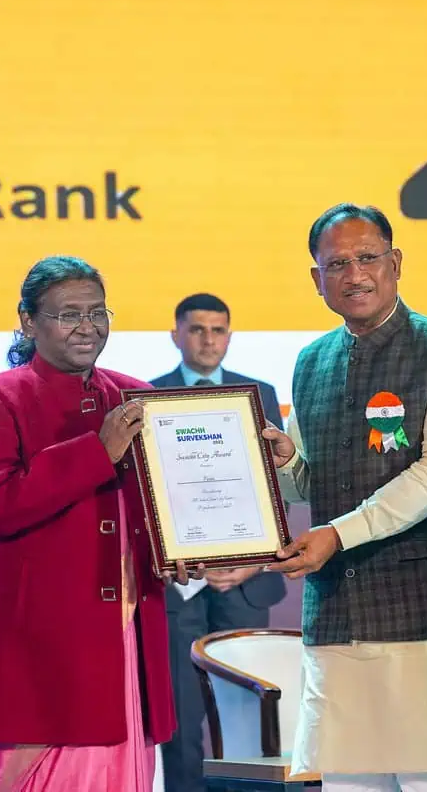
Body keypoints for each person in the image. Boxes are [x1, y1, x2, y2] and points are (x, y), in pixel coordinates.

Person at [262, 203, 427, 792]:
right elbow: (312, 485)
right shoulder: (311, 361)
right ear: (316, 278)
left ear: (395, 263)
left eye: (368, 258)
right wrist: (285, 462)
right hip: (337, 614)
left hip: (424, 610)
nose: (354, 274)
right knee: (347, 784)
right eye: (336, 263)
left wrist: (338, 534)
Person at [0, 255, 199, 791]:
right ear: (28, 321)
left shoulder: (138, 396)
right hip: (41, 644)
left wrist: (186, 545)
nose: (87, 327)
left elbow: (171, 500)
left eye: (98, 312)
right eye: (69, 315)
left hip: (126, 634)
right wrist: (96, 452)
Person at [150, 292, 287, 792]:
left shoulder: (260, 394)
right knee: (182, 718)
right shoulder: (147, 395)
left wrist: (256, 561)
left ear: (229, 335)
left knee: (250, 717)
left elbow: (277, 487)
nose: (208, 340)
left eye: (218, 330)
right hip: (179, 581)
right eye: (197, 329)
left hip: (246, 583)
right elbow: (149, 492)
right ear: (176, 334)